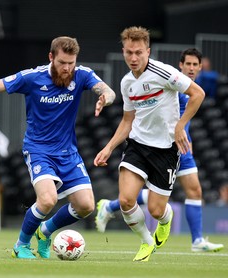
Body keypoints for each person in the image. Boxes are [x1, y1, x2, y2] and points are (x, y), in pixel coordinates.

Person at [0, 36, 116, 259]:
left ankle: (45, 231)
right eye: (62, 63)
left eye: (71, 63)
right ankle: (21, 245)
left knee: (86, 206)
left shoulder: (82, 74)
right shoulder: (31, 77)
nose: (67, 68)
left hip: (68, 152)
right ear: (51, 57)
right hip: (39, 150)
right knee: (48, 200)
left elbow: (107, 89)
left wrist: (105, 97)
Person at [95, 48, 224, 253]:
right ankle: (112, 207)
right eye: (187, 64)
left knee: (193, 191)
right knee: (156, 200)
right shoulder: (172, 84)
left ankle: (197, 240)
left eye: (195, 65)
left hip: (180, 147)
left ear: (200, 68)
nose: (191, 68)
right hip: (157, 145)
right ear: (180, 66)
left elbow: (192, 104)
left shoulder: (188, 88)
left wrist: (182, 131)